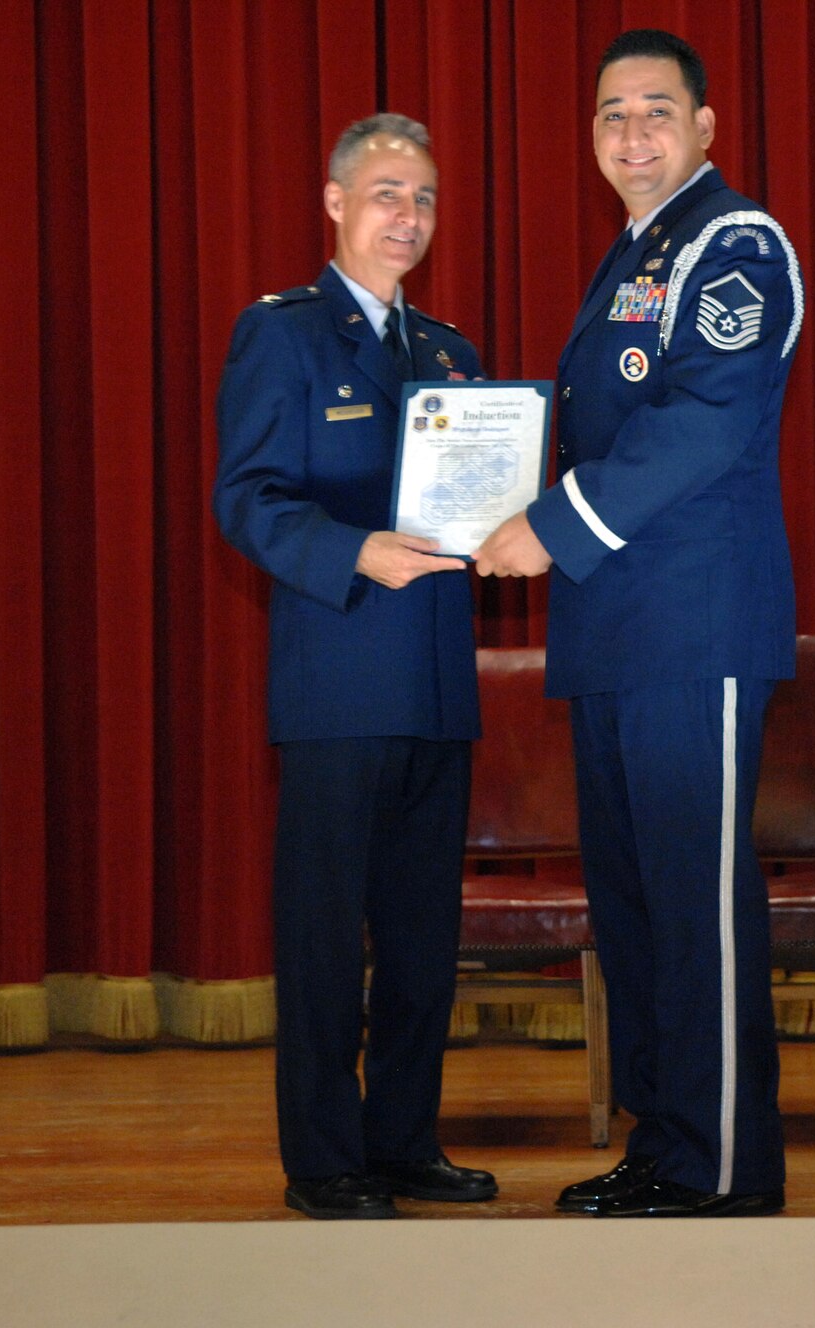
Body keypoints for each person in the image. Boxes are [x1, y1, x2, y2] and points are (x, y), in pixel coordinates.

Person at [474, 28, 802, 1217]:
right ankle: (662, 1139)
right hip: (615, 632)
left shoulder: (734, 246)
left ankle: (720, 1160)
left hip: (693, 628)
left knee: (695, 902)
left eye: (655, 110)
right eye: (611, 115)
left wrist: (548, 526)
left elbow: (701, 422)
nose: (632, 134)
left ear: (706, 125)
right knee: (634, 902)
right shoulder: (630, 256)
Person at [212, 113, 496, 1219]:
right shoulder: (279, 335)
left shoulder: (450, 353)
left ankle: (404, 1140)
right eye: (385, 193)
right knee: (328, 936)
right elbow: (245, 498)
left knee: (424, 941)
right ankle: (326, 1158)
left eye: (422, 198)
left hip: (436, 686)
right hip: (335, 684)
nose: (406, 217)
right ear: (333, 203)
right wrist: (354, 551)